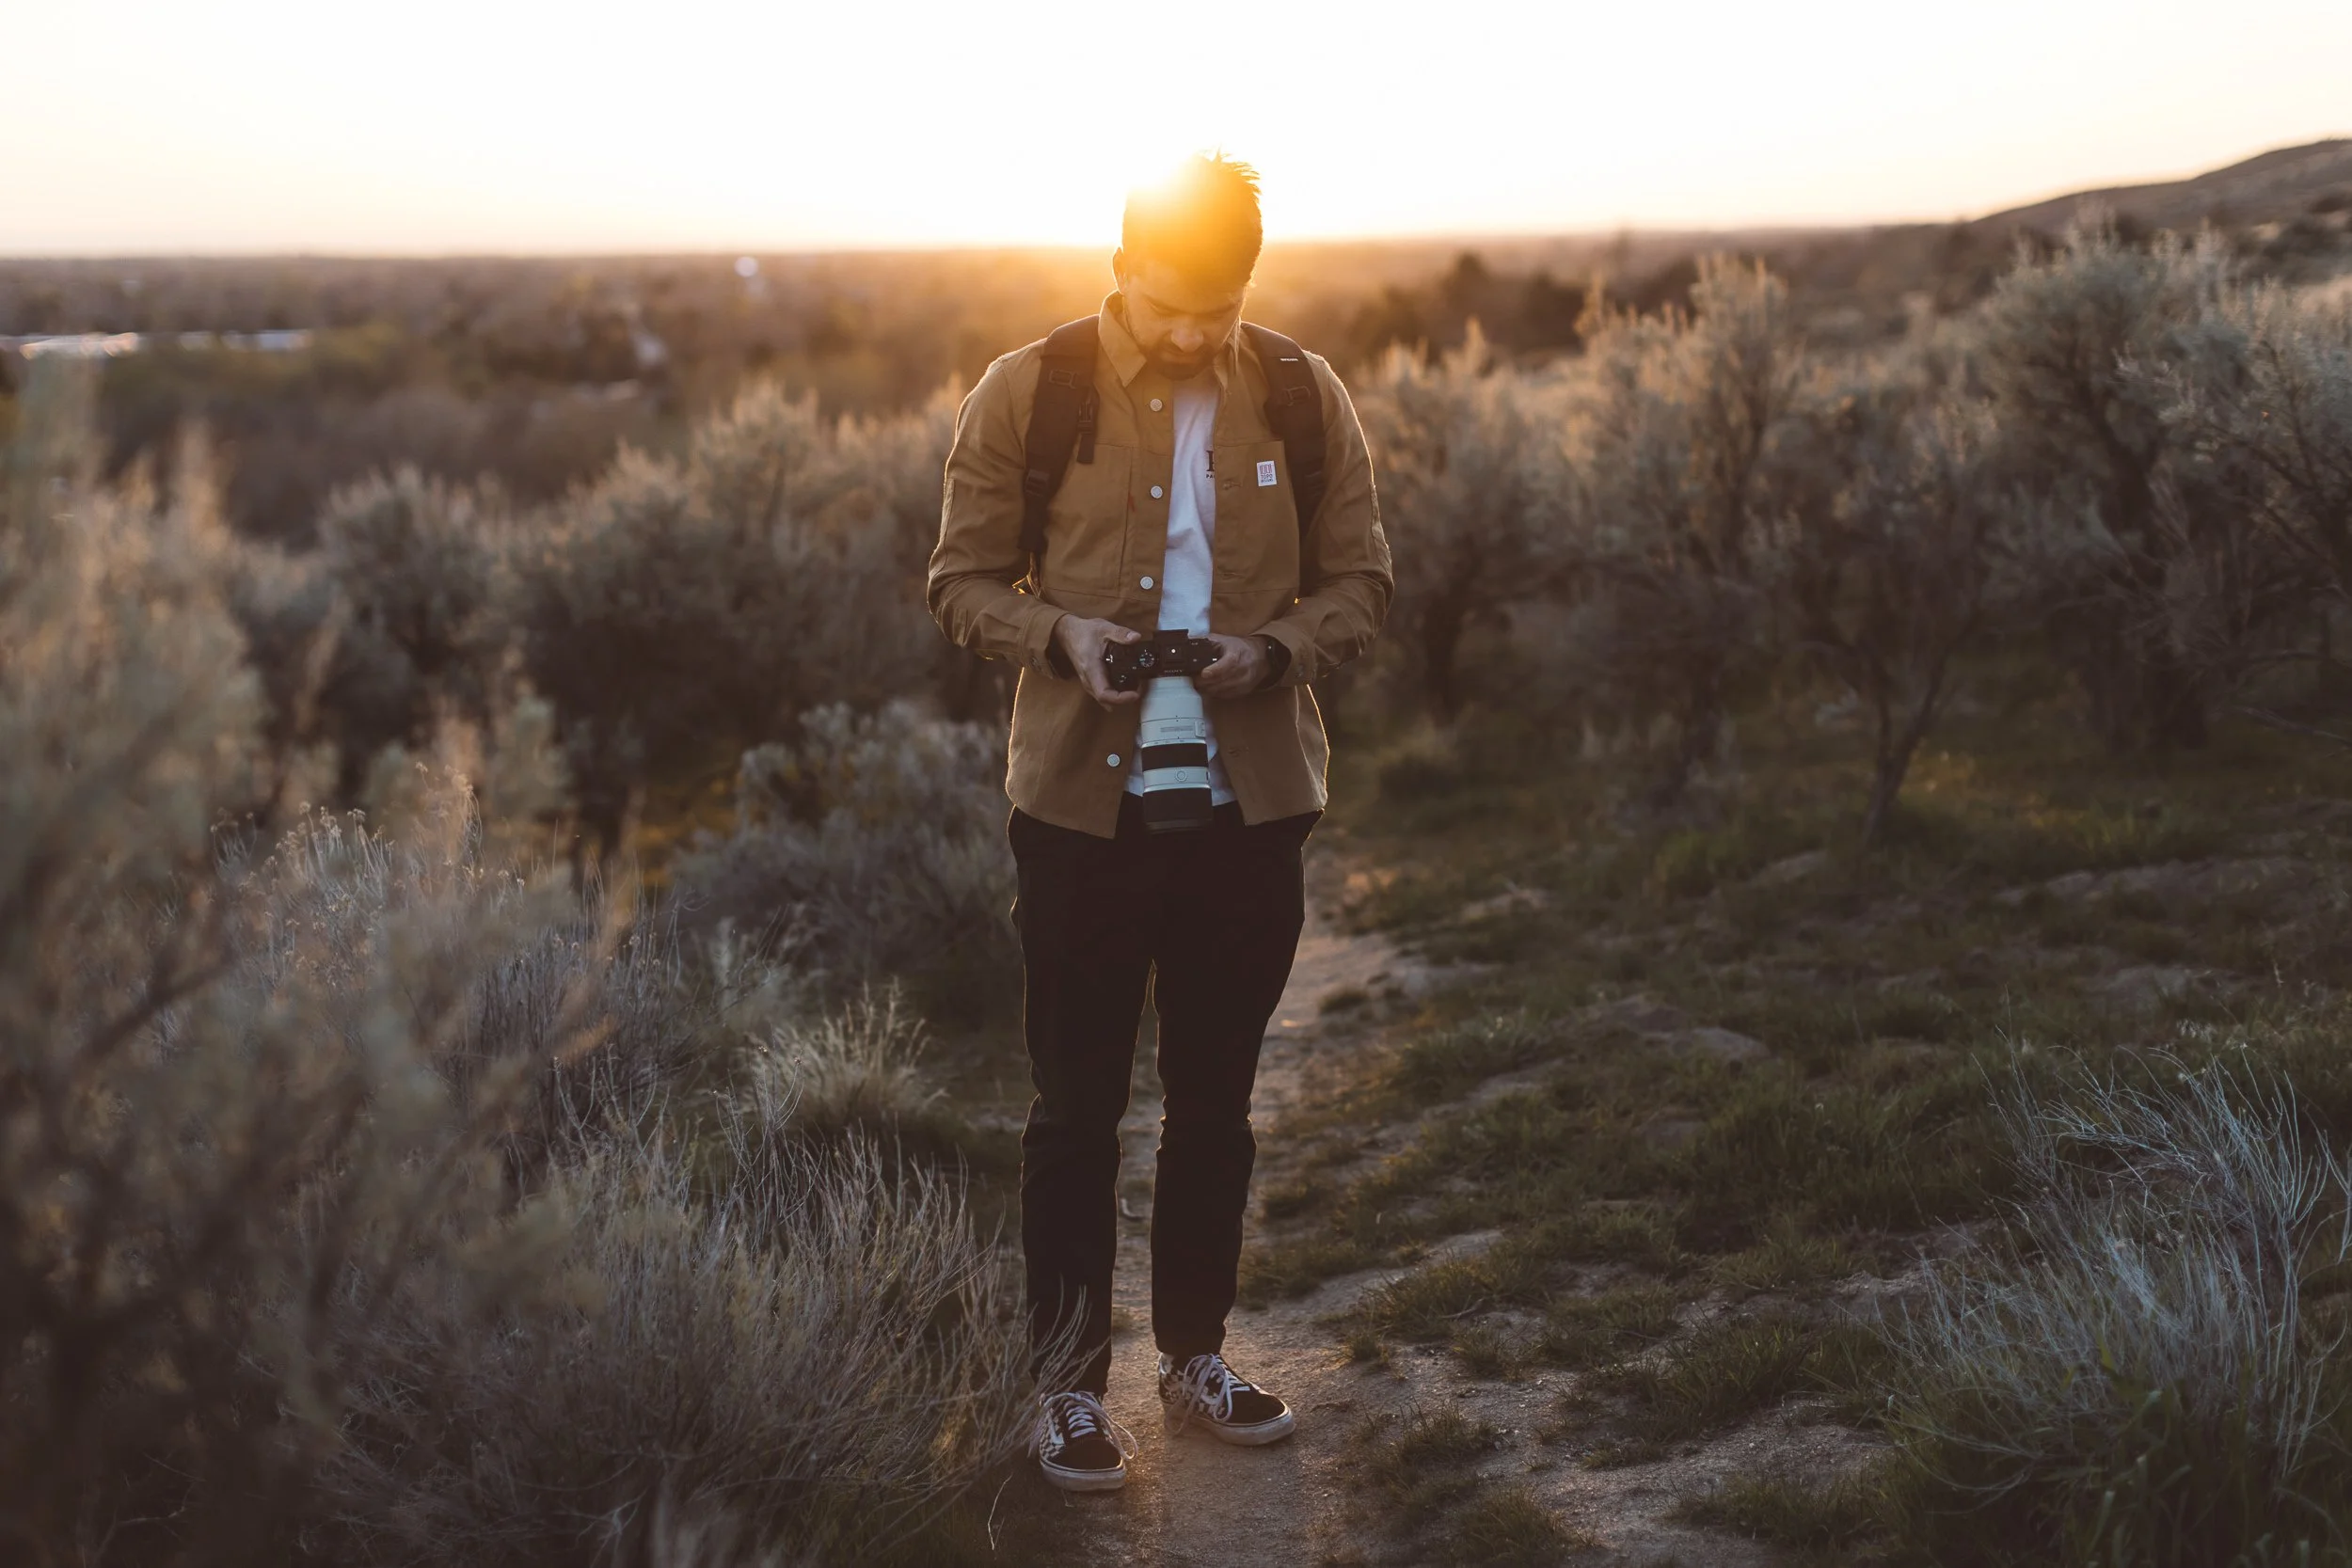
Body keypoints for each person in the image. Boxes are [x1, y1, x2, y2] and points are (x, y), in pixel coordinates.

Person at [927, 153, 1391, 1494]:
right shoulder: (1032, 388)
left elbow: (1362, 583)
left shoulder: (1305, 396)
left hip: (1249, 816)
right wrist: (1058, 633)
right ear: (1123, 265)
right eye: (1174, 303)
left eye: (1221, 306)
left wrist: (1280, 650)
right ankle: (1067, 1390)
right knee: (1075, 1112)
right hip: (1081, 814)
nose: (1195, 332)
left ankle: (1195, 1357)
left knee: (1215, 1105)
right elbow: (958, 582)